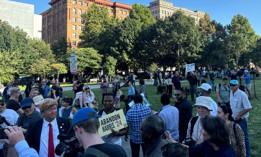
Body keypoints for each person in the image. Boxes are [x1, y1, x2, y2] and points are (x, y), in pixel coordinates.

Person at [230, 79, 252, 157]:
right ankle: (239, 154)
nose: (231, 86)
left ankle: (248, 155)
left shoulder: (242, 94)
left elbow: (248, 107)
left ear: (237, 86)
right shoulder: (231, 93)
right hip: (234, 119)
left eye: (233, 85)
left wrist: (239, 115)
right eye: (231, 85)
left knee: (244, 138)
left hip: (241, 120)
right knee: (235, 138)